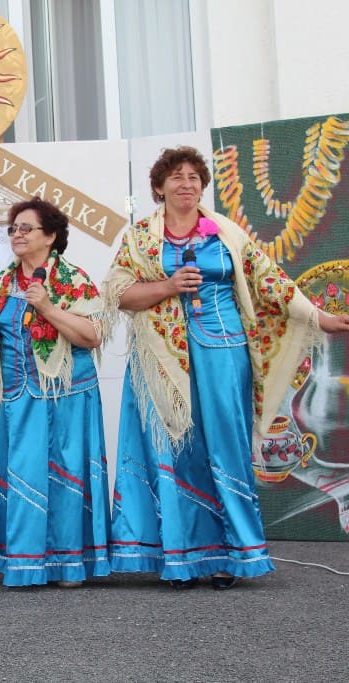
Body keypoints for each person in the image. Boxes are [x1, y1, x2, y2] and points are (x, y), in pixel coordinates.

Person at [104, 146, 349, 590]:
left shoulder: (227, 234)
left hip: (224, 349)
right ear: (159, 188)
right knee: (174, 448)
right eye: (177, 176)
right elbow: (119, 294)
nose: (187, 183)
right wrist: (167, 285)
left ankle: (230, 556)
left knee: (225, 446)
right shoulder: (140, 238)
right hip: (162, 356)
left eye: (195, 176)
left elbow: (270, 282)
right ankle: (181, 557)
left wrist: (319, 317)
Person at [0, 198, 110, 587]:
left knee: (65, 474)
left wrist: (47, 307)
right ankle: (26, 562)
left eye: (27, 228)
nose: (18, 235)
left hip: (67, 394)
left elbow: (92, 336)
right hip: (16, 396)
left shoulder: (73, 280)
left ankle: (67, 565)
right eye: (13, 229)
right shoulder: (2, 284)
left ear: (52, 235)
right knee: (22, 475)